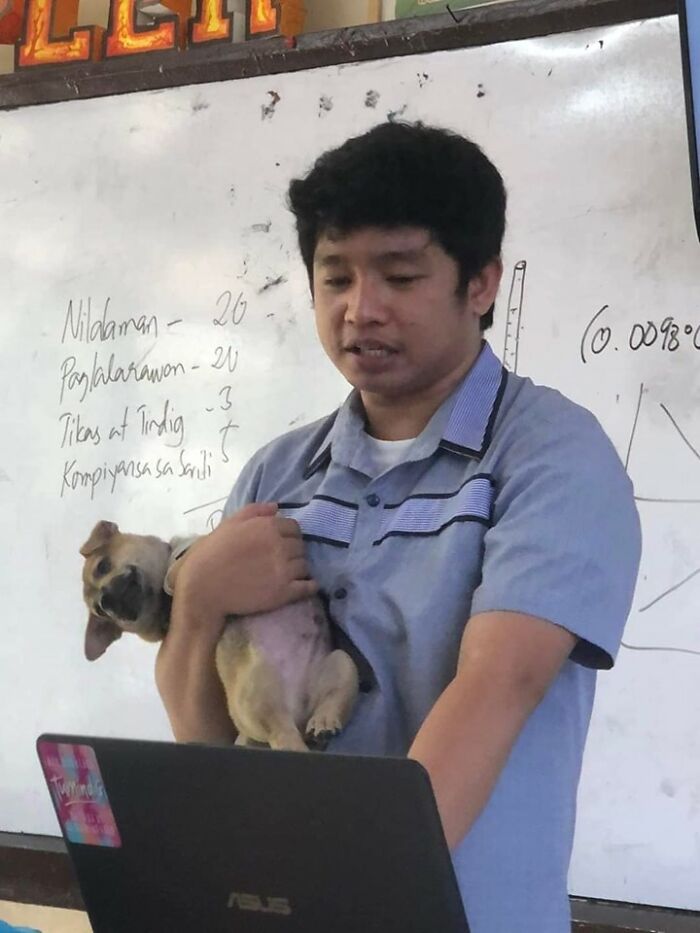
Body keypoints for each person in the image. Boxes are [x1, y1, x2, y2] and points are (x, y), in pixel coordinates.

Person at [156, 121, 641, 933]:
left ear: (480, 283)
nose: (360, 309)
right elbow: (216, 746)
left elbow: (496, 689)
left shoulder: (552, 456)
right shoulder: (278, 476)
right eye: (334, 276)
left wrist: (350, 896)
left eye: (400, 275)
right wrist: (198, 601)